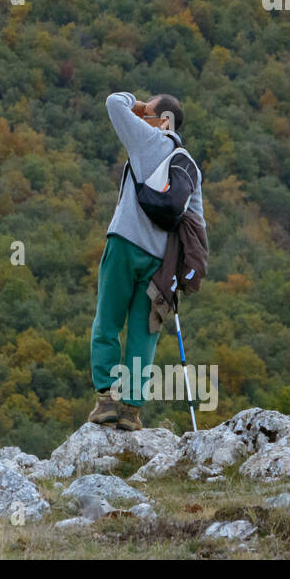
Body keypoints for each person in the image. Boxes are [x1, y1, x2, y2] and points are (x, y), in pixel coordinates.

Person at [88, 91, 204, 431]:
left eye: (148, 114)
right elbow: (197, 225)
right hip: (159, 263)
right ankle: (131, 410)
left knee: (108, 321)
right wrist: (181, 273)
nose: (141, 119)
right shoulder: (189, 165)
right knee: (144, 331)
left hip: (124, 245)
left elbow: (112, 102)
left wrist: (135, 103)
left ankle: (106, 400)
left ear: (164, 121)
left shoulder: (149, 139)